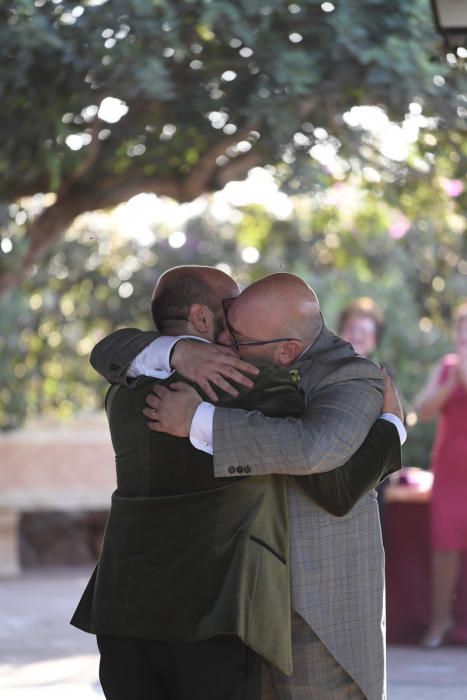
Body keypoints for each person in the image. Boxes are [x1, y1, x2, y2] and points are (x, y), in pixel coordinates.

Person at [92, 270, 406, 699]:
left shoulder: (127, 386)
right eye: (230, 309)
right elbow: (334, 480)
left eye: (238, 331)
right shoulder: (247, 379)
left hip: (145, 610)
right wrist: (390, 433)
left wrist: (195, 411)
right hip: (222, 613)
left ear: (286, 348)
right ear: (202, 319)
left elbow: (320, 467)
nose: (228, 337)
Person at [416, 301, 467, 649]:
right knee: (443, 547)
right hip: (450, 472)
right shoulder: (447, 367)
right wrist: (454, 381)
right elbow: (422, 411)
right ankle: (439, 622)